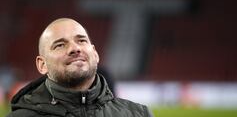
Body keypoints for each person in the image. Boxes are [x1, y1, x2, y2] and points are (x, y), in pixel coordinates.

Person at [7, 18, 153, 117]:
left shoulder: (138, 114)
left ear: (95, 54)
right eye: (60, 45)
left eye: (81, 40)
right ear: (42, 64)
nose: (75, 48)